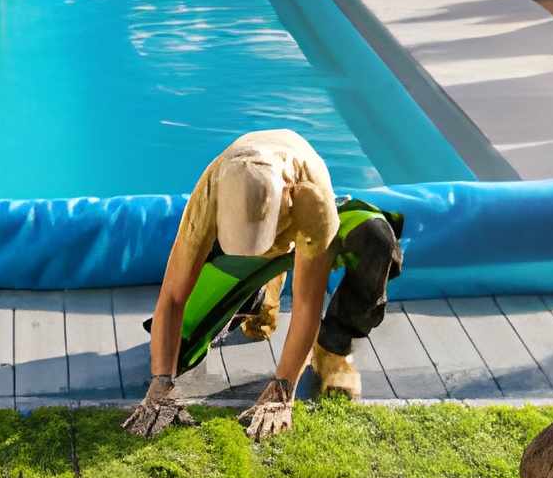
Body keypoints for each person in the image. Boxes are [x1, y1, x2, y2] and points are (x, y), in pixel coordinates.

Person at [123, 130, 396, 440]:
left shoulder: (310, 197)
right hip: (250, 249)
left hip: (306, 227)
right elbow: (172, 297)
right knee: (179, 350)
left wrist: (283, 389)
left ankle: (333, 347)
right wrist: (161, 383)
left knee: (375, 238)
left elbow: (307, 302)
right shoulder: (212, 190)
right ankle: (260, 294)